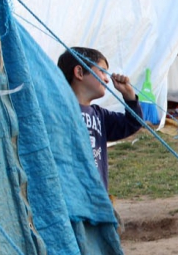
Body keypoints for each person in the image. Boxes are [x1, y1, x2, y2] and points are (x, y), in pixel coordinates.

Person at [57, 46, 144, 189]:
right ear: (79, 72)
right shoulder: (58, 112)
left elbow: (133, 123)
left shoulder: (100, 116)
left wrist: (129, 96)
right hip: (70, 194)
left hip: (97, 197)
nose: (107, 79)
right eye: (102, 71)